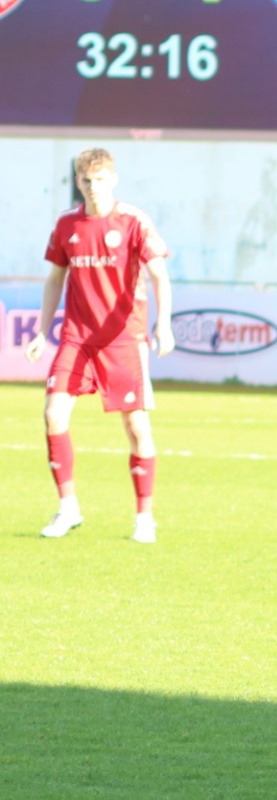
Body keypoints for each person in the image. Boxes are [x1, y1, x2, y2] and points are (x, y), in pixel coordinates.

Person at [26, 148, 174, 544]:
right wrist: (42, 331)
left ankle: (144, 518)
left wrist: (164, 325)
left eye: (101, 179)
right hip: (77, 338)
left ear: (114, 179)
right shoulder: (66, 224)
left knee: (136, 426)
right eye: (87, 180)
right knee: (54, 414)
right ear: (78, 181)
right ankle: (68, 508)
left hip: (123, 339)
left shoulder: (133, 221)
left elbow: (159, 275)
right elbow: (55, 280)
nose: (93, 187)